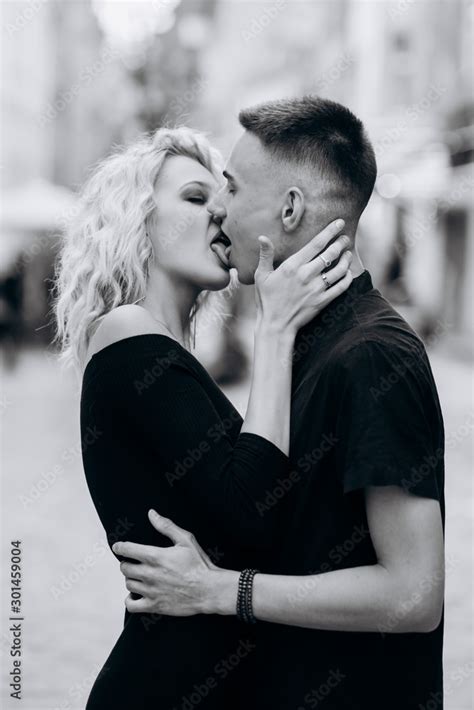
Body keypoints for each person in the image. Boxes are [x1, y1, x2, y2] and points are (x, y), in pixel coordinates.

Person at [114, 96, 446, 710]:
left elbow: (413, 594)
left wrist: (221, 590)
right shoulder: (301, 341)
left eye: (232, 189)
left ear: (290, 208)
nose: (218, 206)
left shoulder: (374, 354)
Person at [54, 125, 353, 708]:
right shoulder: (126, 331)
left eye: (224, 197)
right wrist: (274, 328)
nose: (220, 213)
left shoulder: (164, 352)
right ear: (136, 219)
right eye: (195, 198)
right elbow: (252, 509)